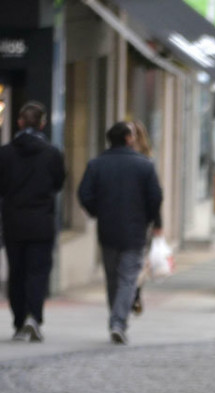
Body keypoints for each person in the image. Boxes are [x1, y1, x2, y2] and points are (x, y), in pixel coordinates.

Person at [78, 121, 163, 345]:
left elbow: (84, 194)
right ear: (128, 138)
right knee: (128, 278)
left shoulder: (97, 165)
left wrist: (98, 212)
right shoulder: (144, 165)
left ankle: (116, 319)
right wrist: (153, 221)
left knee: (113, 278)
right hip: (135, 230)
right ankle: (118, 321)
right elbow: (155, 197)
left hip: (107, 229)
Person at [0, 101, 66, 342]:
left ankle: (19, 322)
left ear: (19, 122)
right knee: (37, 272)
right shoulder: (52, 153)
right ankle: (33, 317)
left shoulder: (5, 153)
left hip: (13, 222)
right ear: (42, 123)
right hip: (41, 221)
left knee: (16, 273)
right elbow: (59, 183)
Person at [129, 120, 158, 316]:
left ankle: (135, 293)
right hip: (122, 218)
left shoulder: (146, 161)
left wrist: (157, 223)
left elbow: (154, 194)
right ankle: (130, 294)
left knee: (138, 260)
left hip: (141, 219)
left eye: (132, 134)